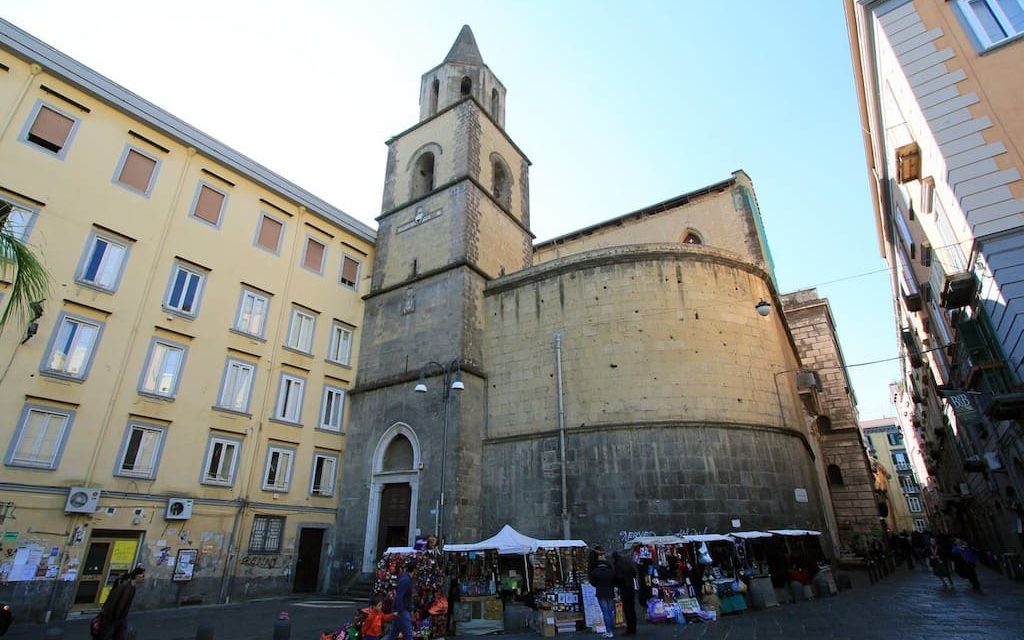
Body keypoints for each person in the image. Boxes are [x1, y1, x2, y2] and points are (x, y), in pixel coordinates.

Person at [98, 566, 145, 640]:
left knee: (119, 636)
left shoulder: (132, 588)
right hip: (113, 617)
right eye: (142, 575)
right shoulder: (125, 587)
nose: (143, 578)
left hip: (121, 617)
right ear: (137, 576)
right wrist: (114, 616)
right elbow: (115, 601)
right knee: (106, 635)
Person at [384, 560, 417, 640]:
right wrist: (399, 610)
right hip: (402, 611)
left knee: (393, 634)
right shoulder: (406, 580)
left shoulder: (405, 578)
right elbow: (399, 596)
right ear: (414, 570)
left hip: (400, 610)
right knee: (408, 634)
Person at [589, 552, 617, 639]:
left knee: (605, 613)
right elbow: (616, 580)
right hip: (610, 592)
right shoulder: (611, 571)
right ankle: (611, 628)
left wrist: (597, 585)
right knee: (611, 611)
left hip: (600, 593)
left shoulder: (595, 572)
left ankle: (609, 631)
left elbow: (592, 581)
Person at [612, 552, 637, 636]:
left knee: (627, 609)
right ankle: (633, 627)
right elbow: (634, 573)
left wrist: (616, 582)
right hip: (631, 586)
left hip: (624, 588)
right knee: (632, 608)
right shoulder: (627, 562)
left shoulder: (618, 565)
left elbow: (619, 577)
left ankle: (630, 628)